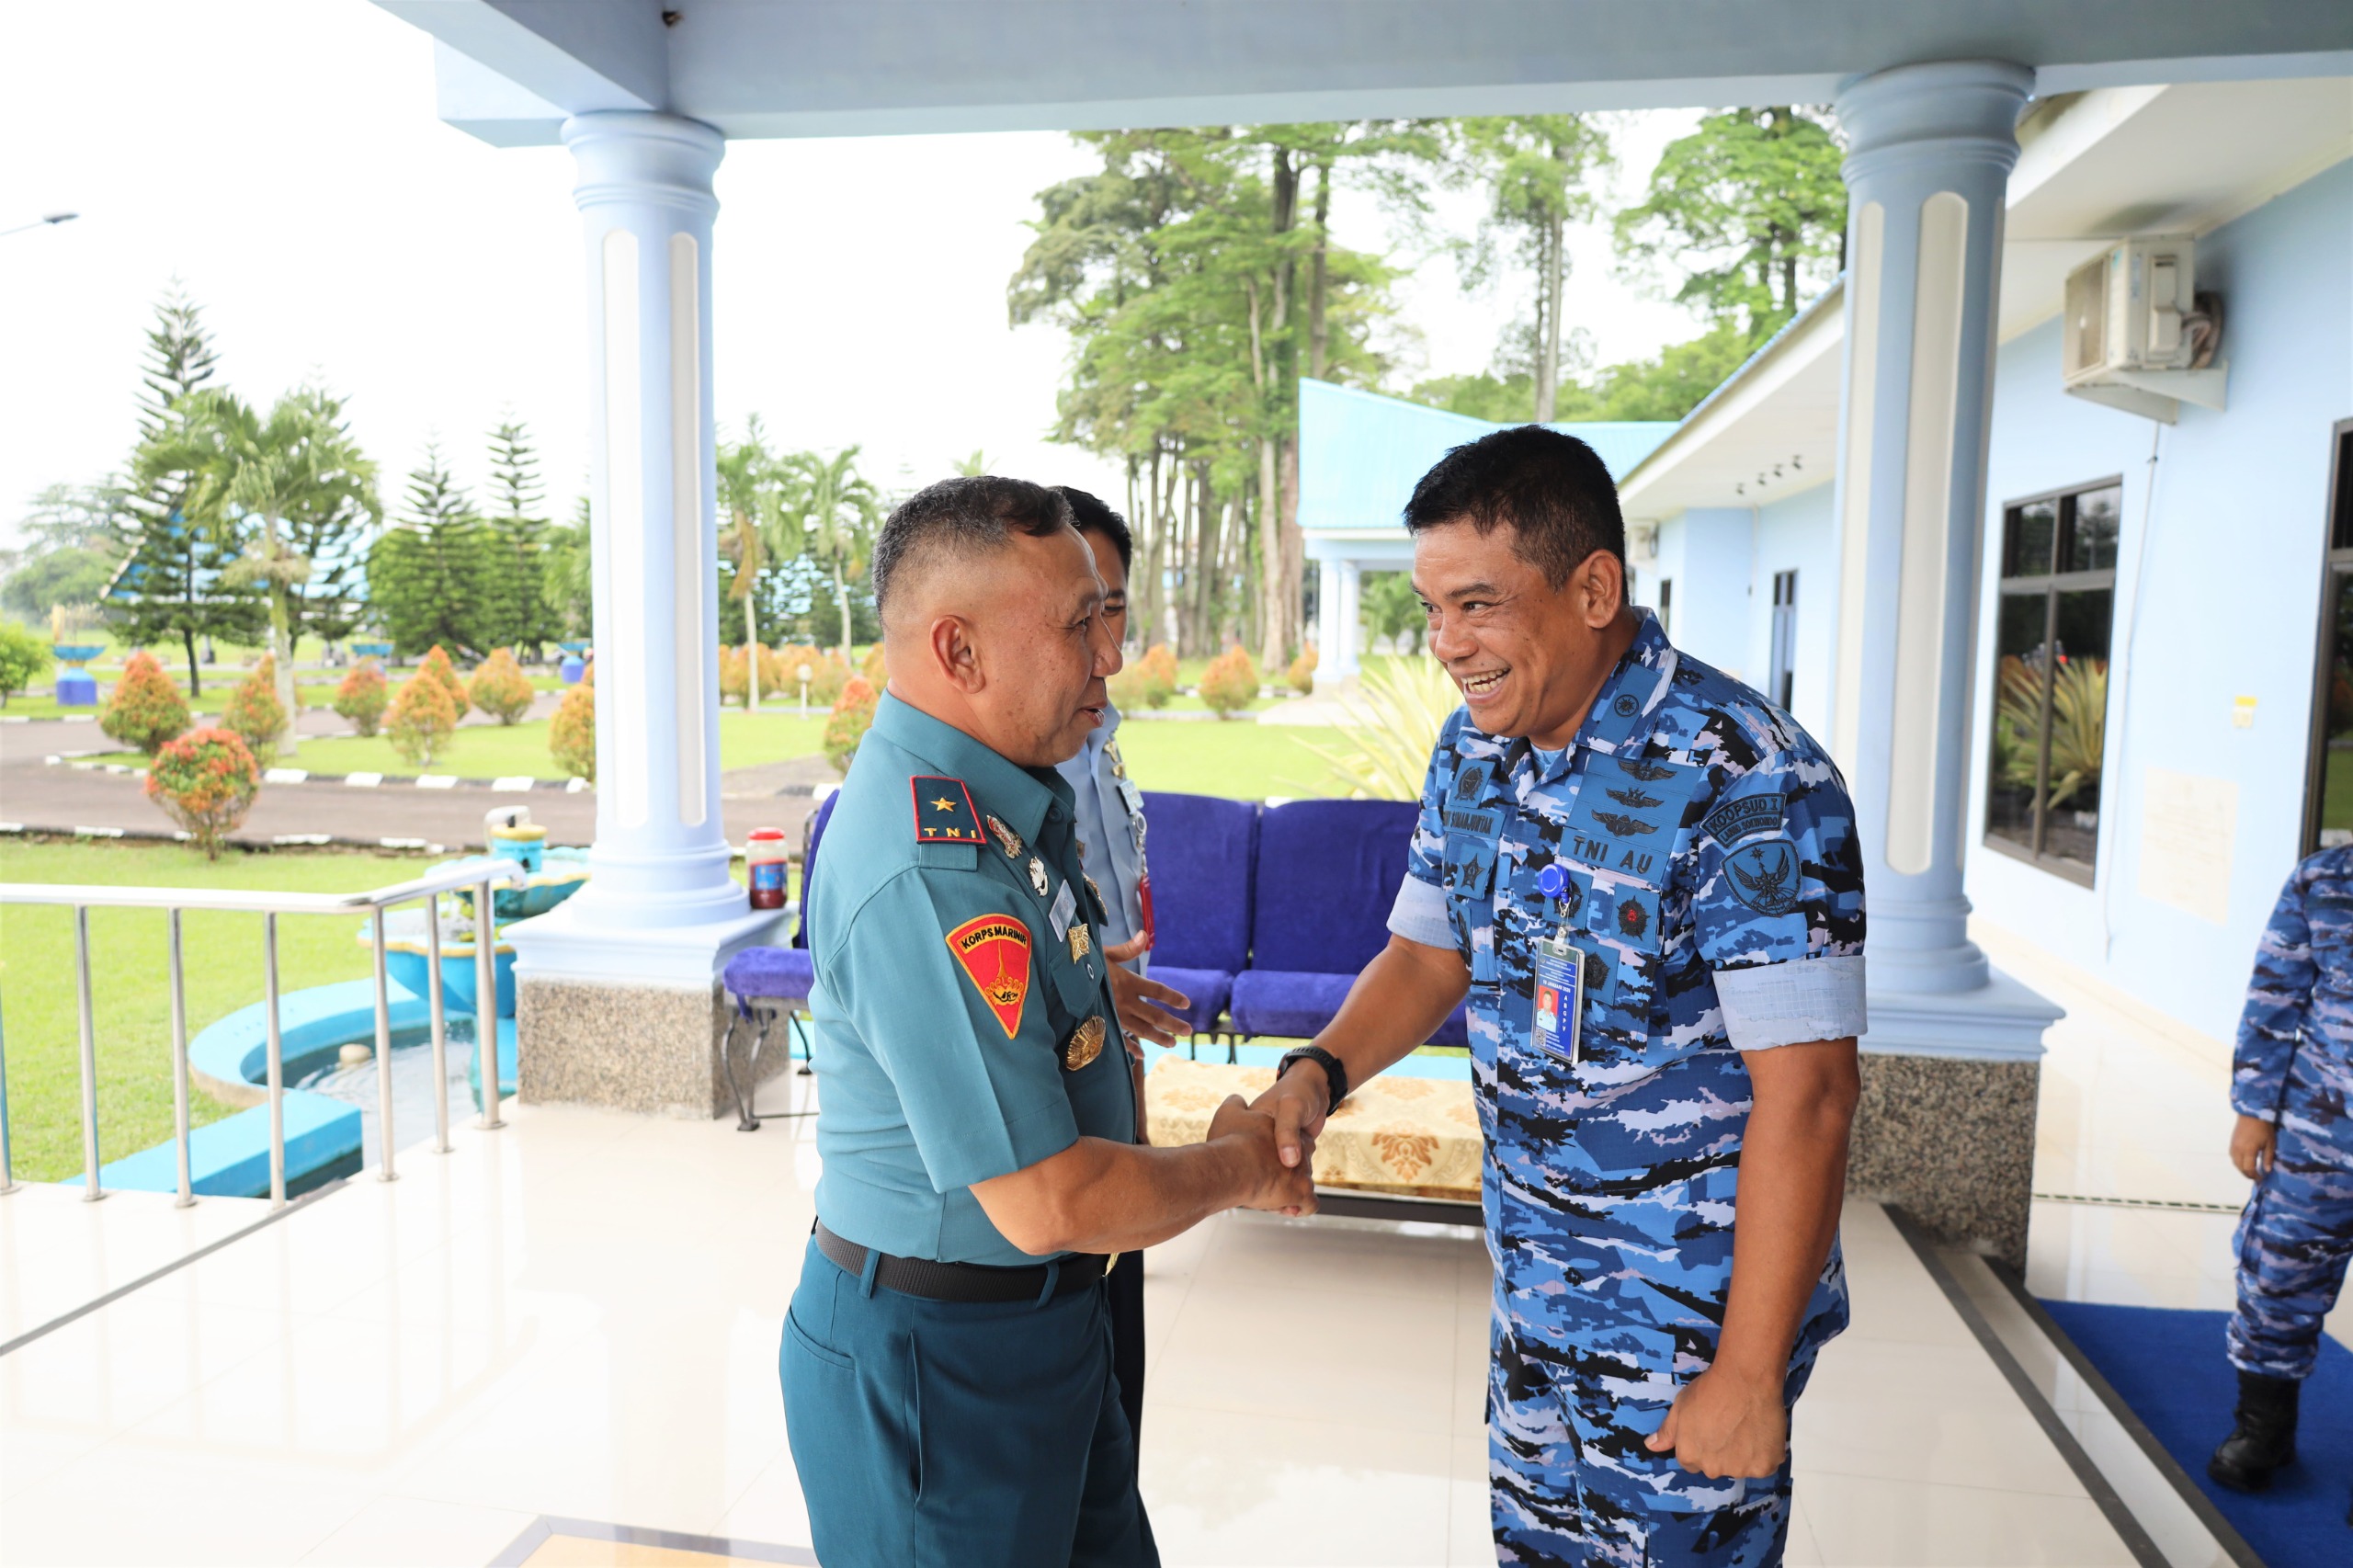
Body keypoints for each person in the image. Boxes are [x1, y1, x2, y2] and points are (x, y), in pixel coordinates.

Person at [1254, 426, 1865, 1567]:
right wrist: (1318, 1069)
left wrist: (1746, 1373)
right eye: (1432, 610)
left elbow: (1814, 1092)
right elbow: (1428, 955)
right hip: (1535, 1296)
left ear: (1593, 588)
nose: (1447, 644)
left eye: (1477, 605)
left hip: (1685, 1327)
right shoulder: (1474, 751)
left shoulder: (1747, 775)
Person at [779, 475, 1314, 1568]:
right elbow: (1046, 1201)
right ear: (959, 650)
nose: (1110, 655)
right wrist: (1240, 1165)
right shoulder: (930, 869)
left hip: (1044, 1326)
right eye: (1079, 624)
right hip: (944, 1369)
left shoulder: (996, 797)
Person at [1052, 484, 1192, 1448]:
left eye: (1114, 609)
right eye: (1079, 613)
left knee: (1117, 1402)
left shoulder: (1098, 733)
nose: (1105, 645)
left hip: (1113, 1075)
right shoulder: (1006, 760)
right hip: (1053, 1111)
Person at [2209, 844, 2353, 1519]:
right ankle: (2264, 1430)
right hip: (2318, 1133)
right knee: (2278, 1275)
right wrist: (2254, 1108)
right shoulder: (2325, 879)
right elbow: (2277, 993)